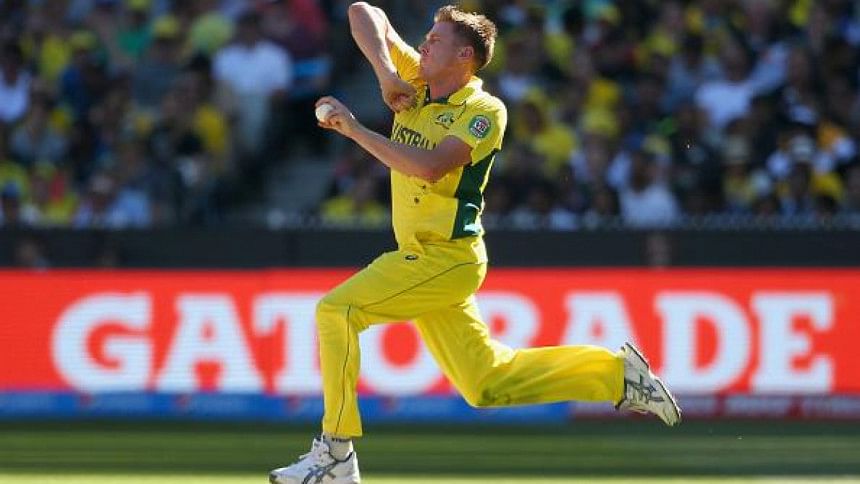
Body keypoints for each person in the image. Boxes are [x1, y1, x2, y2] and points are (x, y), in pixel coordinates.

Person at [270, 4, 681, 483]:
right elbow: (364, 12)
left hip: (445, 257)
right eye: (426, 38)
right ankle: (616, 375)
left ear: (464, 56)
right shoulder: (414, 78)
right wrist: (385, 74)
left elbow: (430, 168)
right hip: (426, 259)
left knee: (336, 311)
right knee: (485, 384)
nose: (423, 45)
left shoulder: (484, 112)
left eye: (435, 40)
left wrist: (356, 130)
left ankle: (336, 454)